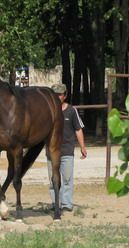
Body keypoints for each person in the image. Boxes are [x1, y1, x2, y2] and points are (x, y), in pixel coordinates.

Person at [48, 83, 87, 212]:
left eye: (60, 94)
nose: (57, 97)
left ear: (65, 95)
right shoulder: (47, 112)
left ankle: (66, 204)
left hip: (67, 151)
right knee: (53, 180)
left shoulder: (71, 111)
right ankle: (55, 203)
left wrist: (82, 147)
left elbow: (78, 129)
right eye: (55, 94)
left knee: (67, 179)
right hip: (51, 152)